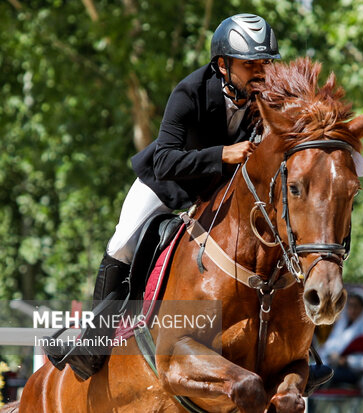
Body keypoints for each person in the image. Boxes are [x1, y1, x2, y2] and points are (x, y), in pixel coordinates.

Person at [42, 13, 280, 380]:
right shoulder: (190, 92)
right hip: (167, 185)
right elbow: (167, 158)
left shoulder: (265, 99)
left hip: (216, 192)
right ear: (223, 64)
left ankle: (299, 349)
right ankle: (94, 343)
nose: (261, 71)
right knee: (122, 244)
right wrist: (221, 154)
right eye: (250, 64)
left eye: (265, 62)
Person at [319, 288, 363, 388]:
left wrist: (347, 361)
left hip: (355, 374)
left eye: (356, 306)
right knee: (310, 374)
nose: (352, 310)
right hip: (334, 368)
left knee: (318, 378)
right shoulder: (341, 327)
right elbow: (328, 349)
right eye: (350, 305)